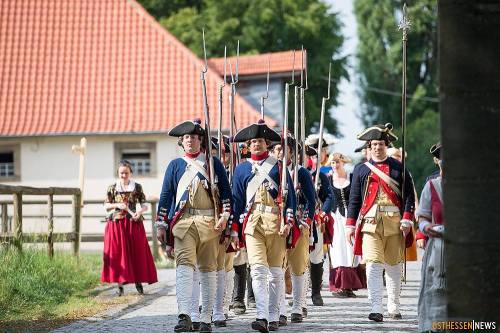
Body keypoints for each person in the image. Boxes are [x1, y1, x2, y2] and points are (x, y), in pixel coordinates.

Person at [155, 119, 233, 333]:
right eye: (186, 137)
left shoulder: (213, 163)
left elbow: (226, 193)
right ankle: (185, 314)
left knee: (208, 271)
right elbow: (166, 196)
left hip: (209, 223)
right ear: (182, 141)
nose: (190, 140)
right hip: (183, 223)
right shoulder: (175, 165)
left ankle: (206, 317)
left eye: (194, 137)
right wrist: (161, 222)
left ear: (201, 140)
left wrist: (225, 217)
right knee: (184, 267)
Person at [232, 119, 297, 332]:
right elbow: (237, 201)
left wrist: (288, 221)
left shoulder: (278, 167)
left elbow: (291, 199)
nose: (256, 145)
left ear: (266, 143)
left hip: (275, 223)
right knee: (258, 270)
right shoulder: (241, 170)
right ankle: (262, 315)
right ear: (248, 146)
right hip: (252, 223)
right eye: (253, 142)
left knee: (276, 273)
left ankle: (274, 313)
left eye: (260, 140)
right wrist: (234, 228)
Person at [346, 123, 415, 322]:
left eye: (381, 144)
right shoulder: (360, 169)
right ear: (369, 146)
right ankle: (376, 307)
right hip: (369, 224)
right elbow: (354, 200)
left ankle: (394, 305)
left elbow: (408, 196)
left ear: (386, 146)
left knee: (393, 266)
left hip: (394, 223)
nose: (378, 147)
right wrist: (350, 224)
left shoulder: (399, 168)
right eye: (374, 144)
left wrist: (407, 219)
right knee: (373, 265)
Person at [270, 135, 316, 324]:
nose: (280, 152)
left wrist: (305, 220)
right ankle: (280, 308)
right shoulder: (270, 171)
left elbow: (311, 200)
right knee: (277, 268)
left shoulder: (301, 172)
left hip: (297, 224)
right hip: (276, 225)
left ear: (292, 152)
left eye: (285, 149)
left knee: (298, 266)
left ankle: (297, 305)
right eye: (277, 149)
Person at [102, 160, 158, 296]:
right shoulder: (112, 187)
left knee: (136, 252)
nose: (123, 175)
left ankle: (138, 282)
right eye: (121, 173)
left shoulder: (137, 187)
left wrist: (140, 212)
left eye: (126, 173)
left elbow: (143, 204)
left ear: (130, 172)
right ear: (118, 173)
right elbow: (106, 205)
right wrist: (117, 205)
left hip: (134, 223)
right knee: (118, 254)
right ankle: (120, 284)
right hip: (117, 224)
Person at [416, 142, 446, 332]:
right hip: (438, 248)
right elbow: (423, 217)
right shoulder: (431, 186)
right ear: (437, 161)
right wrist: (428, 228)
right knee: (435, 290)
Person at [328, 153, 366, 297]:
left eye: (337, 162)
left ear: (343, 162)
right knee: (337, 250)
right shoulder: (328, 179)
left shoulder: (351, 177)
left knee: (351, 249)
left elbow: (358, 197)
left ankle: (351, 285)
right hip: (335, 218)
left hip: (350, 218)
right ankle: (340, 285)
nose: (335, 165)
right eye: (332, 162)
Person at [305, 145, 334, 307]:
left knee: (316, 257)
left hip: (314, 220)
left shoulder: (318, 177)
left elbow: (329, 197)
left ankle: (316, 292)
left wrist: (323, 213)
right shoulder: (285, 174)